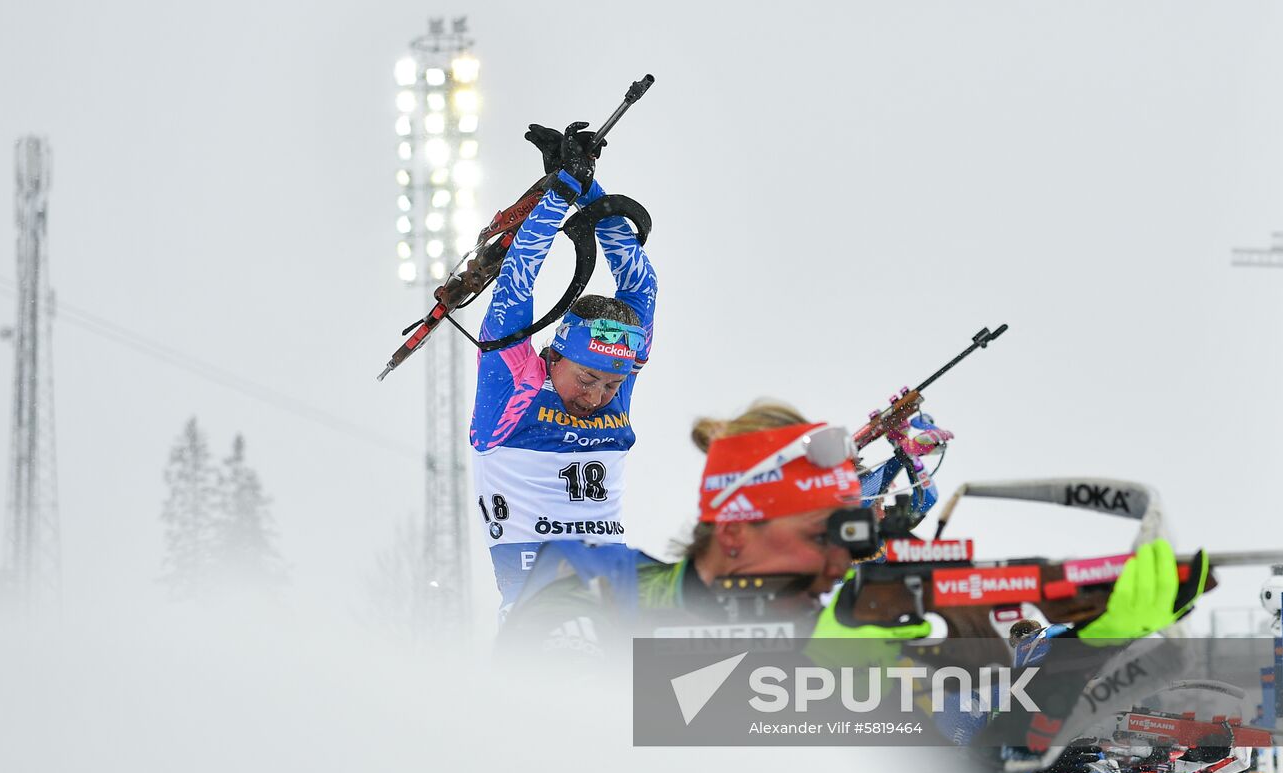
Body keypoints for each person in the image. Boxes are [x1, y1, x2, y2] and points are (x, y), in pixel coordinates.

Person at [500, 400, 1209, 664]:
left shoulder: (834, 632)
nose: (841, 559)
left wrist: (1088, 655)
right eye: (822, 533)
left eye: (852, 535)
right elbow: (564, 737)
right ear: (738, 533)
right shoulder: (589, 581)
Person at [471, 122, 658, 617]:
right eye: (588, 378)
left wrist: (586, 186)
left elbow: (641, 286)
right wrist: (560, 194)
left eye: (613, 383)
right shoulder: (513, 381)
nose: (598, 396)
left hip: (616, 602)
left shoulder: (619, 378)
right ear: (556, 354)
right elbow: (518, 277)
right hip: (538, 610)